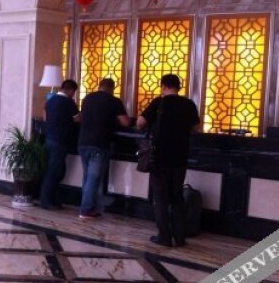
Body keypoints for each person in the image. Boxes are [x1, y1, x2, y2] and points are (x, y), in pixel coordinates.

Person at [137, 74, 200, 247]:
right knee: (177, 197)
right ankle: (180, 237)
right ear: (179, 87)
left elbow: (140, 122)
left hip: (159, 157)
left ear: (163, 86)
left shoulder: (159, 103)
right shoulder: (189, 104)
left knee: (161, 198)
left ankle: (164, 236)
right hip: (180, 157)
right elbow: (196, 127)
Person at [78, 78, 129, 219]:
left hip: (83, 142)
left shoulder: (87, 98)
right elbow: (125, 122)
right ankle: (86, 210)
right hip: (99, 144)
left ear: (99, 86)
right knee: (93, 179)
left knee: (87, 177)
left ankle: (88, 206)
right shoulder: (114, 101)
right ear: (112, 88)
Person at [39, 79, 79, 210]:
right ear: (71, 90)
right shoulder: (68, 102)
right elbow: (77, 119)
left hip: (49, 139)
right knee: (55, 172)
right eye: (74, 92)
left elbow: (45, 117)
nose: (73, 95)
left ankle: (51, 200)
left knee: (53, 171)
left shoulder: (50, 101)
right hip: (60, 141)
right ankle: (46, 201)